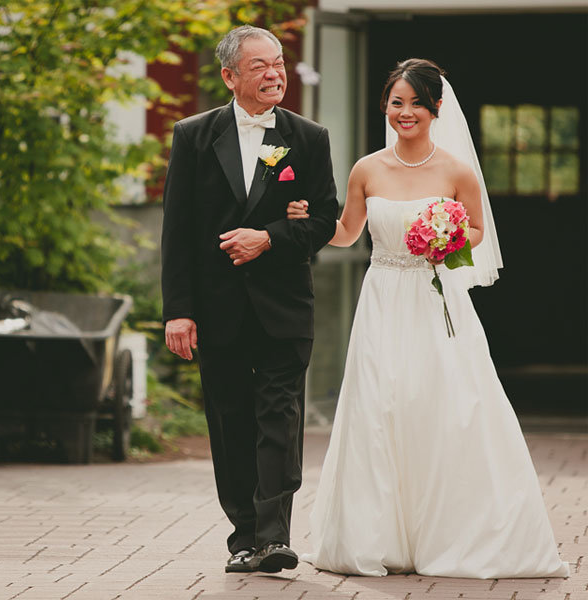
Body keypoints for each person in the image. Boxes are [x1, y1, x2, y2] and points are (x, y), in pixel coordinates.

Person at [287, 59, 569, 578]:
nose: (406, 111)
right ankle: (380, 537)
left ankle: (452, 532)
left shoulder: (458, 170)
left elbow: (479, 232)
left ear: (436, 107)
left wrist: (448, 238)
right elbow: (348, 231)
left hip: (437, 299)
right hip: (382, 298)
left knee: (447, 403)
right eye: (397, 102)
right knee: (380, 403)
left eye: (417, 102)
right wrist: (310, 222)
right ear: (385, 108)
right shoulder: (366, 169)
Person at [161, 25, 338, 574]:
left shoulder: (308, 137)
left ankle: (275, 535)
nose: (274, 73)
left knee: (279, 418)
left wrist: (271, 237)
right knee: (230, 419)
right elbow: (179, 230)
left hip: (284, 305)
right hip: (216, 309)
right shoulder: (193, 135)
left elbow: (325, 220)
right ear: (230, 76)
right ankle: (244, 534)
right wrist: (179, 309)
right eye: (260, 65)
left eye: (279, 63)